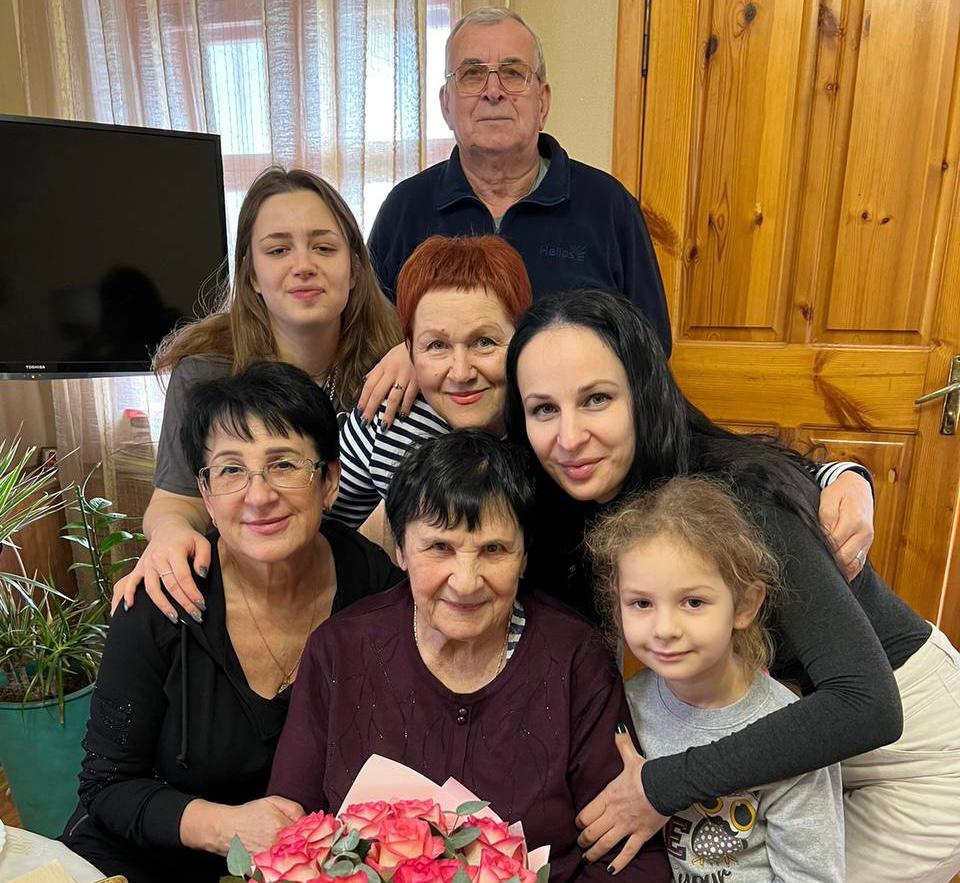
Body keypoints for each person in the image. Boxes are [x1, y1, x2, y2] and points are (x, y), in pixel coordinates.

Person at [503, 290, 960, 882]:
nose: (568, 437)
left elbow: (866, 705)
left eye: (597, 399)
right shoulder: (582, 500)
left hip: (909, 753)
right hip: (791, 743)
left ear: (643, 394)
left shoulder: (739, 497)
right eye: (543, 409)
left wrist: (661, 787)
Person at [267, 430, 671, 883]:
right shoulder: (339, 651)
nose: (465, 582)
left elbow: (631, 859)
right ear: (400, 549)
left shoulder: (575, 657)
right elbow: (291, 838)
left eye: (493, 550)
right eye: (440, 547)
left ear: (524, 557)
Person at [63, 362, 404, 883]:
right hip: (147, 860)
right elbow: (106, 785)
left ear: (330, 481)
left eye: (284, 464)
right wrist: (226, 827)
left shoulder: (376, 590)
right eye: (229, 470)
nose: (258, 495)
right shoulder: (162, 597)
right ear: (205, 495)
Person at [114, 166, 403, 622]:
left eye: (324, 248)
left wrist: (424, 352)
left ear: (353, 270)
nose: (303, 265)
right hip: (237, 594)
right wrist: (169, 533)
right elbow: (175, 501)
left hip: (345, 592)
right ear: (251, 274)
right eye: (278, 249)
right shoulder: (205, 373)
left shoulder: (389, 368)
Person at [358, 6, 669, 426]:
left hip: (571, 446)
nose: (493, 91)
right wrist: (410, 349)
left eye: (512, 72)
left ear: (543, 101)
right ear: (446, 104)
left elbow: (651, 348)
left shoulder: (609, 206)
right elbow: (368, 337)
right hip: (439, 452)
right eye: (472, 74)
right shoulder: (403, 208)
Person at [588, 476, 845, 881]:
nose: (665, 629)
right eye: (641, 603)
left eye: (693, 602)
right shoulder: (622, 704)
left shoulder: (792, 730)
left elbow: (812, 874)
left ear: (744, 606)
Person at [331, 234, 532, 527]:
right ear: (409, 350)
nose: (461, 373)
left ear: (524, 339)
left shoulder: (551, 421)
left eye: (484, 342)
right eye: (437, 345)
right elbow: (314, 526)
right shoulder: (389, 417)